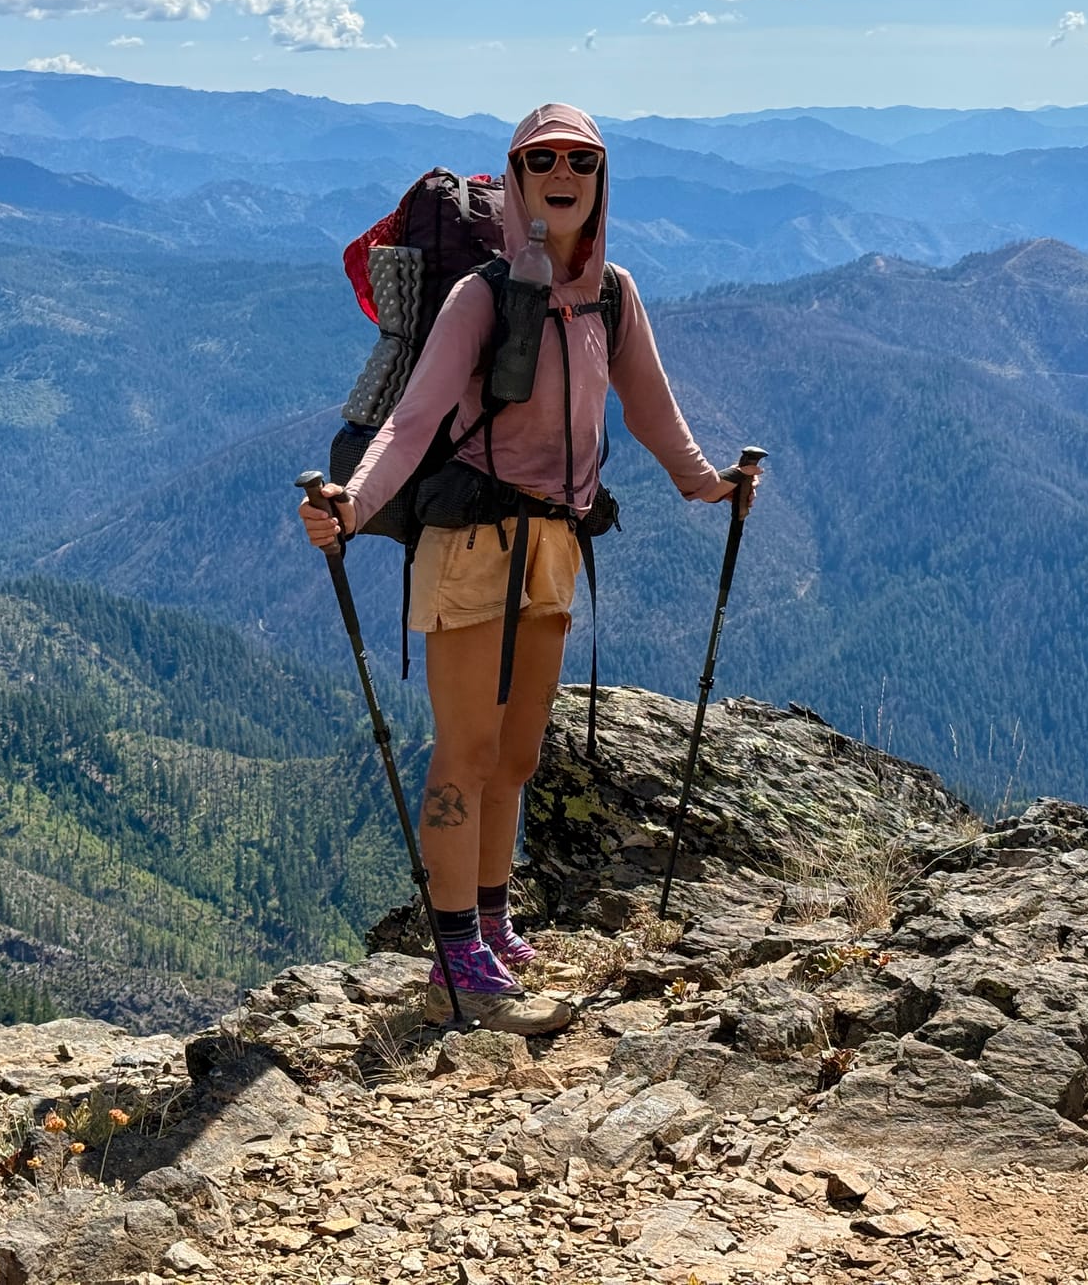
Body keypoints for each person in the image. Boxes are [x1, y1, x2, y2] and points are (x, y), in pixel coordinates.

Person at [298, 102, 761, 1033]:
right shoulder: (479, 296)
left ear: (601, 180)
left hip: (555, 542)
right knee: (466, 753)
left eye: (581, 161)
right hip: (471, 544)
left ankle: (492, 924)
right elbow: (413, 421)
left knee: (515, 756)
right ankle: (456, 961)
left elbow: (650, 407)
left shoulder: (611, 295)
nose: (562, 173)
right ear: (514, 178)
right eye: (541, 159)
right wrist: (352, 504)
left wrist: (708, 485)